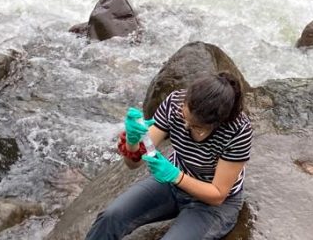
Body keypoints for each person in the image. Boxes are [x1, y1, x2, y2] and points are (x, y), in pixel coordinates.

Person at [85, 71, 253, 240]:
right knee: (112, 217)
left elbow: (217, 194)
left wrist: (175, 176)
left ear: (218, 123)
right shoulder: (175, 102)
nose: (186, 126)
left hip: (212, 204)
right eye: (184, 117)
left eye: (196, 126)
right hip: (171, 186)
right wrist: (132, 141)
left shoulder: (238, 130)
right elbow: (133, 164)